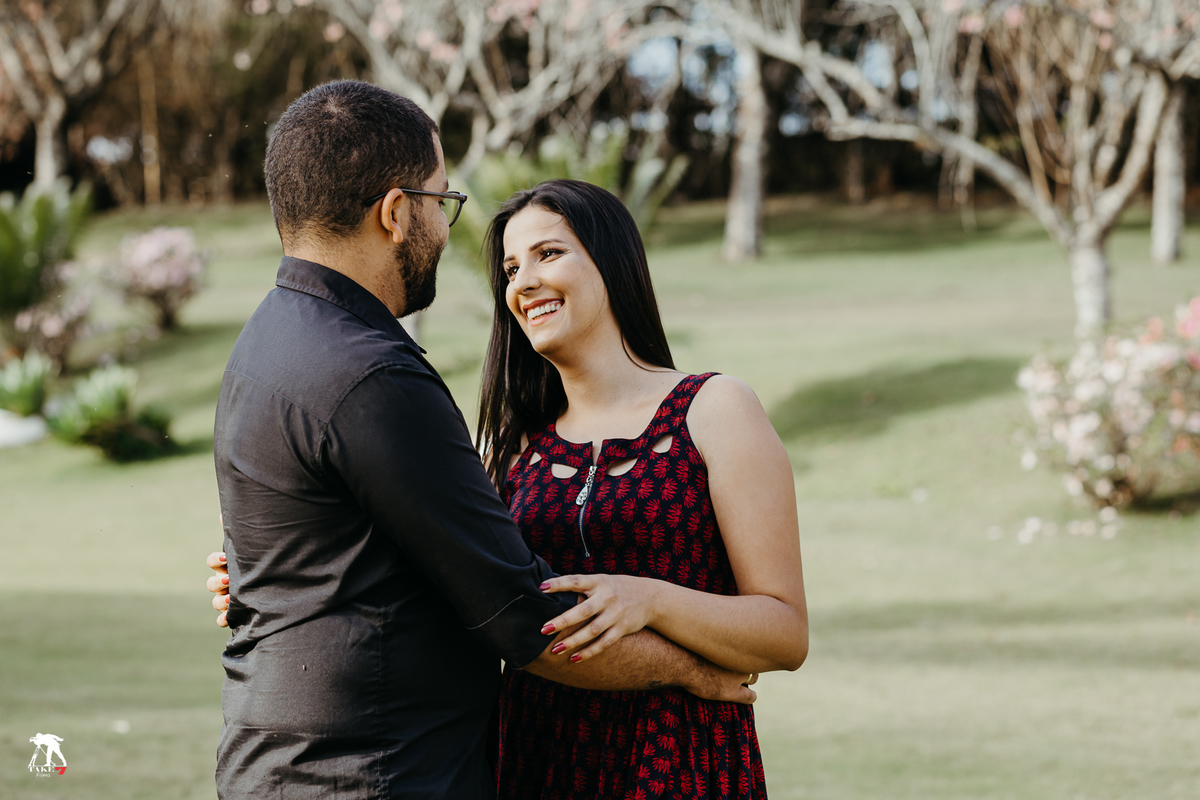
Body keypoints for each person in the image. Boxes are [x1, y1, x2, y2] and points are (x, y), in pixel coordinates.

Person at [210, 81, 755, 800]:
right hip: (371, 775)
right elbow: (519, 618)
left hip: (275, 765)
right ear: (397, 213)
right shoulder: (373, 374)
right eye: (441, 201)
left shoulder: (263, 348)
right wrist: (690, 671)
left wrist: (268, 577)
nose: (445, 224)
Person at [478, 180, 808, 799]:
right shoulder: (512, 448)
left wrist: (651, 600)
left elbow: (784, 634)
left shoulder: (713, 410)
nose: (523, 282)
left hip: (681, 765)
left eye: (548, 254)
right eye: (511, 268)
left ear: (613, 261)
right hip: (534, 763)